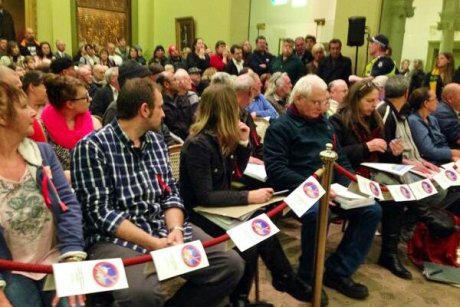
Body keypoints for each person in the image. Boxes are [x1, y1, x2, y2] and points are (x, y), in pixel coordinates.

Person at [71, 77, 244, 307]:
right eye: (160, 107)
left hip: (160, 227)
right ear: (144, 110)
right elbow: (101, 214)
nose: (164, 114)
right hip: (114, 239)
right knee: (142, 294)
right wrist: (152, 242)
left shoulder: (155, 141)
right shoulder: (92, 147)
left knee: (230, 265)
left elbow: (170, 193)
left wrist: (176, 230)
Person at [180, 83, 314, 306]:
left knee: (259, 225)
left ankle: (258, 290)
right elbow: (206, 196)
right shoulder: (198, 144)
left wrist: (243, 143)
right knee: (251, 236)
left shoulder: (221, 137)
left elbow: (236, 173)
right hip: (197, 213)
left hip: (217, 209)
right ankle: (273, 284)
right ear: (224, 111)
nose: (239, 112)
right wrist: (249, 197)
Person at [264, 74, 382, 301]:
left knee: (371, 209)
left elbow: (340, 161)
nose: (323, 107)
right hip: (296, 189)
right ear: (298, 99)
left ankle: (338, 270)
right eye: (317, 102)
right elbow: (277, 172)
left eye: (325, 102)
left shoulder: (325, 124)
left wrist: (353, 186)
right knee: (318, 214)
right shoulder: (280, 127)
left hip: (330, 187)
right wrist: (318, 189)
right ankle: (307, 276)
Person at [0, 81, 86, 307]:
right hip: (11, 269)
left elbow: (68, 205)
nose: (32, 113)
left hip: (54, 258)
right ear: (2, 118)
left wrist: (72, 258)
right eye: (23, 107)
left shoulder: (42, 154)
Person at [329, 80, 412, 279]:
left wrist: (394, 152)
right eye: (369, 101)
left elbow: (384, 157)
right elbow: (336, 155)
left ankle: (389, 254)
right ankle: (342, 267)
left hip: (373, 172)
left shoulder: (375, 118)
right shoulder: (338, 120)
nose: (374, 105)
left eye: (376, 100)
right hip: (348, 174)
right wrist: (367, 147)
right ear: (356, 99)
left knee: (397, 198)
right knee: (378, 204)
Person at [41, 76, 101, 175]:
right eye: (85, 97)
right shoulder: (43, 128)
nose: (90, 99)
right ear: (70, 104)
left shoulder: (94, 123)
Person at [407, 87, 460, 164]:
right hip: (430, 163)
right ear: (426, 103)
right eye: (435, 99)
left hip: (443, 160)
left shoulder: (432, 119)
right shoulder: (414, 121)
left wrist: (451, 156)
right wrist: (452, 153)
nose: (437, 102)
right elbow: (427, 150)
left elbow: (442, 142)